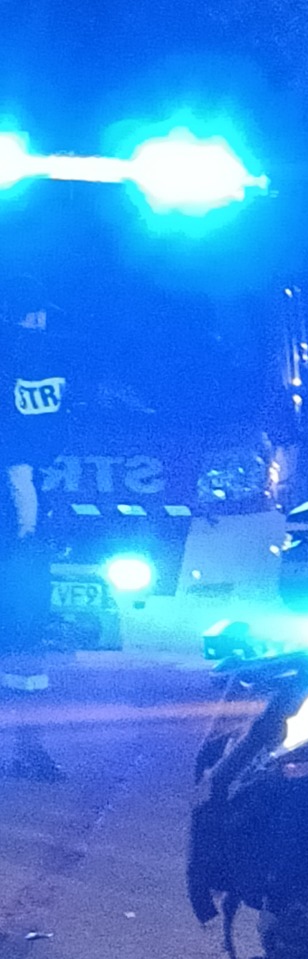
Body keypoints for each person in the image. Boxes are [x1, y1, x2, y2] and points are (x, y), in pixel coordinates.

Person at [0, 272, 67, 781]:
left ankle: (27, 749)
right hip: (19, 518)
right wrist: (27, 514)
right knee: (25, 643)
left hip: (21, 510)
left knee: (24, 647)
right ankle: (27, 749)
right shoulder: (37, 358)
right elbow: (30, 448)